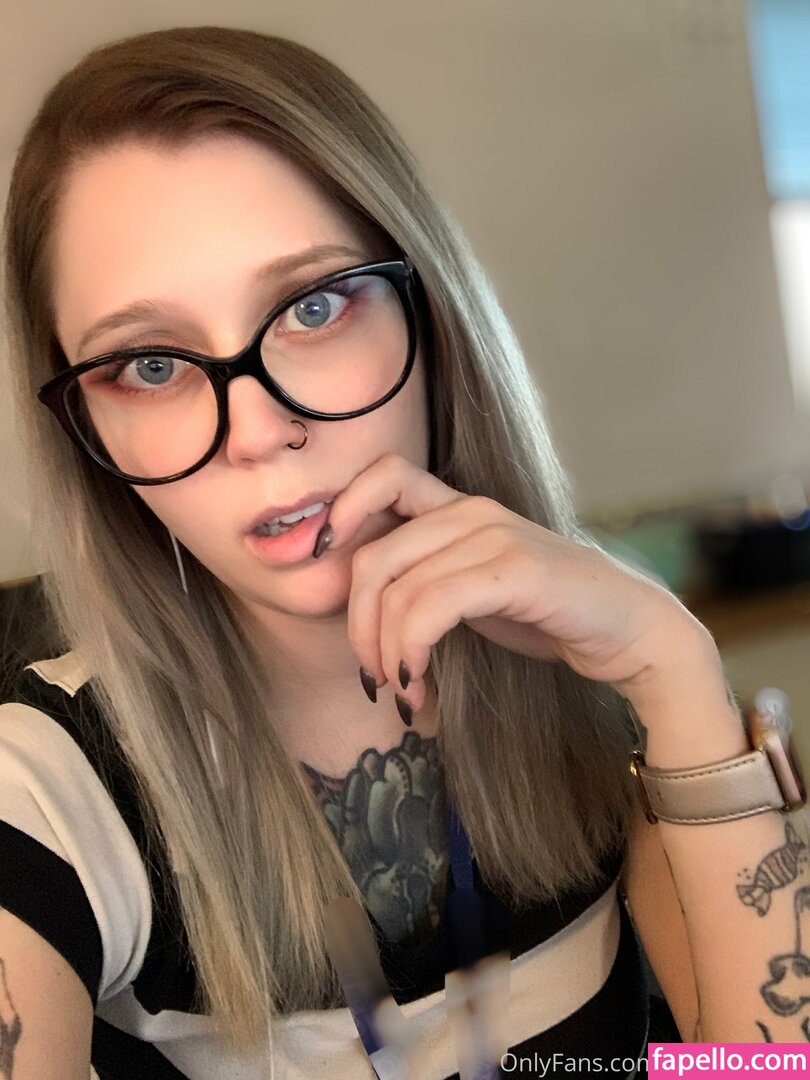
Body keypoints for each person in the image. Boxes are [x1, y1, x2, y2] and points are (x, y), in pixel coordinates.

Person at [1, 24, 806, 1080]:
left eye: (314, 306)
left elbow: (752, 1068)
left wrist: (677, 671)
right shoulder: (44, 793)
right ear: (84, 428)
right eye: (150, 364)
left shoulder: (589, 661)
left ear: (430, 314)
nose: (258, 432)